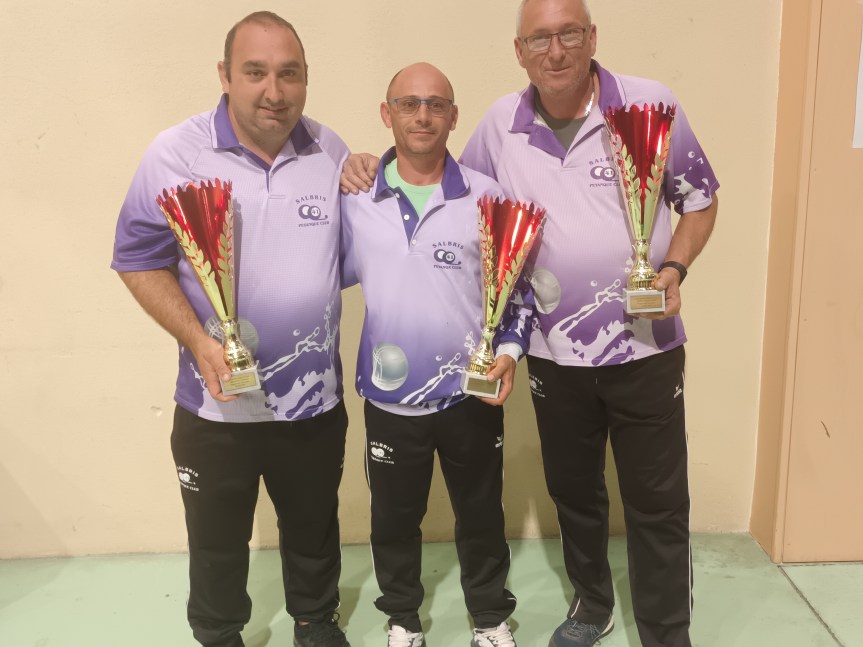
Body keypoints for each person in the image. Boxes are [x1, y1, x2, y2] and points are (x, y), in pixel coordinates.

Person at [341, 1, 719, 646]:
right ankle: (592, 606)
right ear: (519, 52)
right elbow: (451, 196)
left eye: (569, 33)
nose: (556, 50)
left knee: (657, 500)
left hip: (646, 346)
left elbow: (701, 199)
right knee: (574, 493)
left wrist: (674, 268)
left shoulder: (649, 104)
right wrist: (366, 168)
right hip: (552, 354)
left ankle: (665, 632)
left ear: (592, 37)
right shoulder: (497, 125)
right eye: (539, 39)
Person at [112, 12, 351, 647]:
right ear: (224, 75)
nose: (274, 91)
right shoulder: (175, 154)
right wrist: (198, 340)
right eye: (255, 72)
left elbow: (350, 258)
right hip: (216, 407)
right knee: (216, 540)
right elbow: (136, 259)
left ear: (306, 78)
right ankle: (219, 633)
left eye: (289, 74)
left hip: (312, 401)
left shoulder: (330, 151)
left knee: (314, 526)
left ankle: (316, 621)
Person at [340, 62, 531, 647]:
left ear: (453, 116)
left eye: (435, 104)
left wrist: (511, 352)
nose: (422, 115)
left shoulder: (488, 198)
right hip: (390, 398)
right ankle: (403, 620)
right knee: (394, 519)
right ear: (387, 113)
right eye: (408, 103)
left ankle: (490, 619)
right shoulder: (355, 198)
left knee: (482, 513)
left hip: (469, 395)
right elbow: (317, 273)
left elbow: (519, 290)